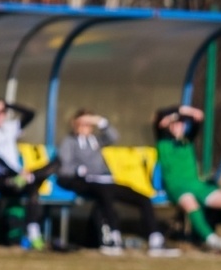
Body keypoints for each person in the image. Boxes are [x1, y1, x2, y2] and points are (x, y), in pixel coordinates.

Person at [58, 110, 178, 257]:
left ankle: (155, 239)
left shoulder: (95, 140)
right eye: (83, 124)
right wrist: (82, 170)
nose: (86, 127)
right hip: (86, 182)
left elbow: (113, 136)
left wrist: (100, 121)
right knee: (105, 196)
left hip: (106, 180)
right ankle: (113, 237)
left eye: (89, 125)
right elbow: (65, 166)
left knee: (142, 199)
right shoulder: (69, 142)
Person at [153, 105, 221, 255]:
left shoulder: (187, 141)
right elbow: (159, 123)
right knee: (190, 203)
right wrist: (174, 115)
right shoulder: (163, 142)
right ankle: (213, 241)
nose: (178, 126)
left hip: (196, 185)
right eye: (175, 124)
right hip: (176, 187)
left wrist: (184, 111)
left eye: (181, 124)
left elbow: (198, 117)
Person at [0, 98, 58, 250]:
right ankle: (29, 233)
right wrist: (16, 173)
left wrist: (10, 104)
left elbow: (31, 114)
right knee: (29, 184)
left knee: (31, 186)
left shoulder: (8, 127)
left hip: (17, 176)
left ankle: (32, 233)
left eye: (3, 112)